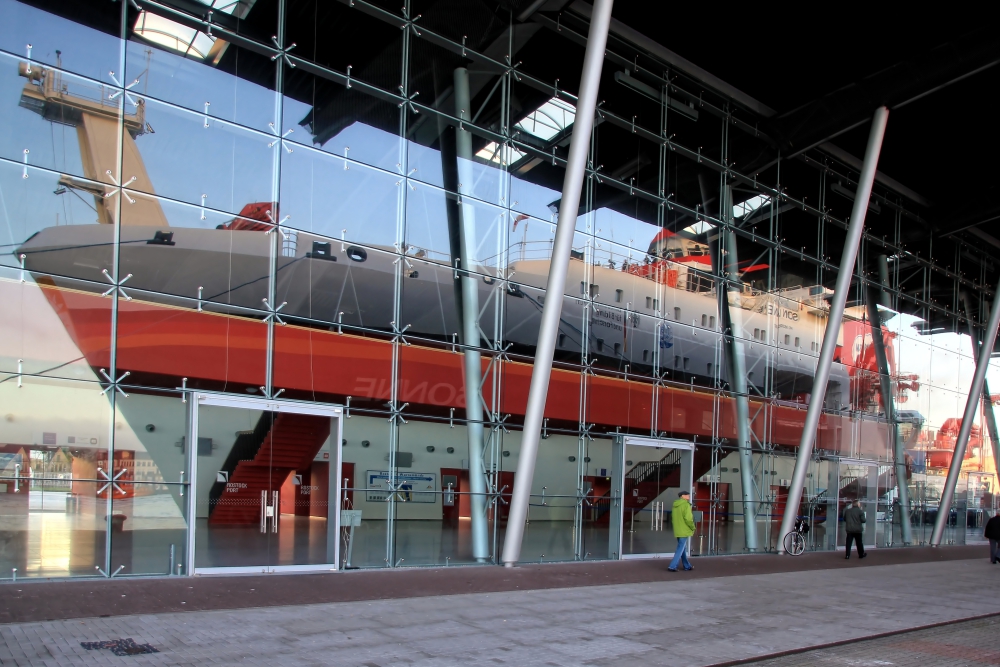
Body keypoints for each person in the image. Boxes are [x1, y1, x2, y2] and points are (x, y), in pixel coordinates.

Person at [667, 490, 696, 572]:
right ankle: (672, 566)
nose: (689, 496)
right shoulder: (686, 505)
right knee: (680, 548)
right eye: (687, 495)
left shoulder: (675, 505)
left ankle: (687, 565)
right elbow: (688, 519)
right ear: (683, 496)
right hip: (684, 529)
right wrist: (693, 527)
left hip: (678, 529)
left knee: (682, 548)